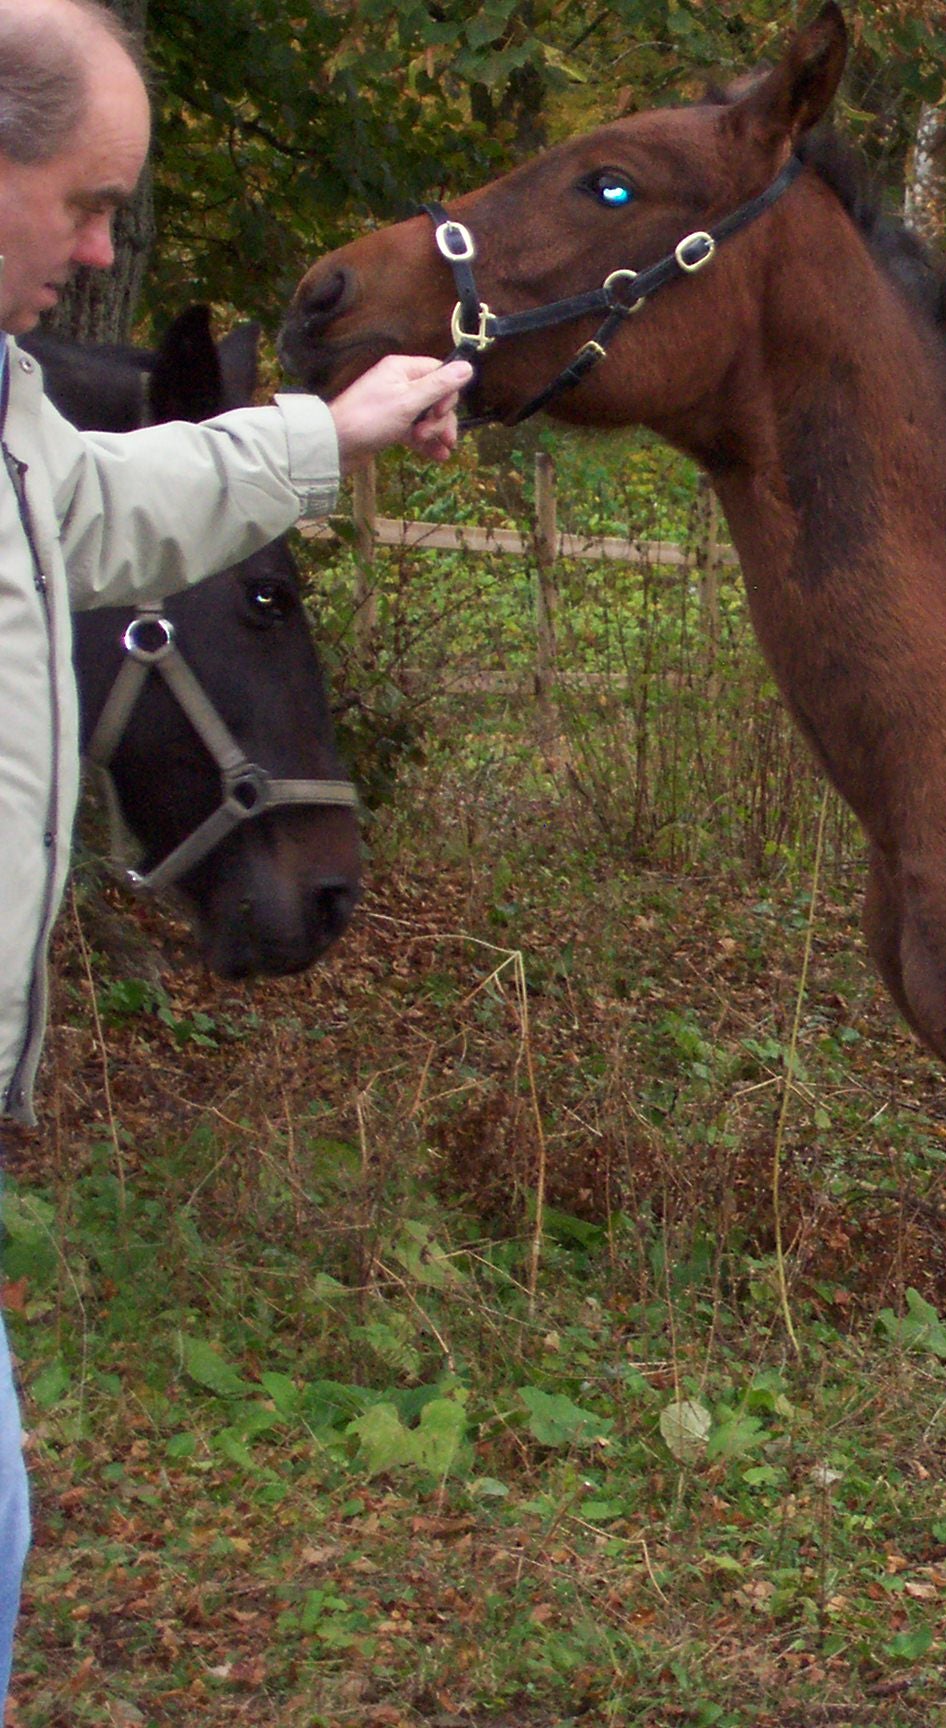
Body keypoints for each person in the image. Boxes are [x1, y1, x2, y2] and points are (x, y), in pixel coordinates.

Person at [0, 0, 471, 1699]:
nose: (103, 245)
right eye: (83, 200)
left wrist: (333, 436)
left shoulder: (9, 417)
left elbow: (111, 508)